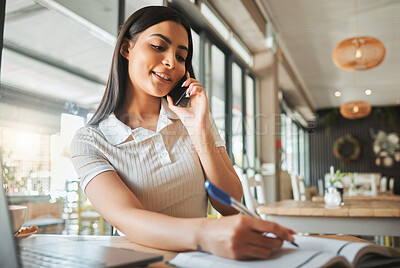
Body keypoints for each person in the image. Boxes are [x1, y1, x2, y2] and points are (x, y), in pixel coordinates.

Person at [70, 5, 295, 260]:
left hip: (201, 260)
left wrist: (198, 130)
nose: (170, 62)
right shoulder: (90, 141)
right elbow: (128, 218)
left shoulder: (195, 118)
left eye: (181, 56)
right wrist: (207, 234)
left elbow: (230, 204)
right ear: (126, 48)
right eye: (158, 46)